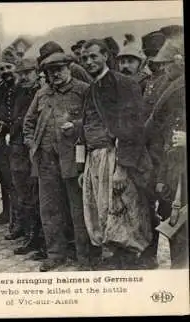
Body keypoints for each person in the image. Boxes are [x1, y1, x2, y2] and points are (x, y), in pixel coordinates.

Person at [79, 39, 154, 270]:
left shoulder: (123, 84)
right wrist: (82, 167)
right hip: (94, 159)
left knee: (124, 210)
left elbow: (133, 128)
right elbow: (84, 128)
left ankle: (133, 260)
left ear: (105, 56)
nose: (89, 61)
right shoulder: (90, 89)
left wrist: (121, 168)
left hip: (116, 157)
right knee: (102, 211)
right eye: (84, 58)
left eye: (93, 56)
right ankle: (115, 256)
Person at [23, 52, 91, 272]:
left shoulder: (83, 90)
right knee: (50, 209)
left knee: (78, 209)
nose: (56, 75)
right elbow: (29, 121)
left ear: (69, 69)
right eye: (51, 72)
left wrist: (77, 126)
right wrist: (30, 142)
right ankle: (55, 254)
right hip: (46, 161)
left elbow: (96, 119)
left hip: (74, 160)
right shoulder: (42, 94)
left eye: (59, 70)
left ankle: (85, 256)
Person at [144, 36, 187, 269]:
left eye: (167, 63)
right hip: (171, 165)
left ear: (179, 62)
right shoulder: (169, 86)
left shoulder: (177, 87)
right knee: (173, 219)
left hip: (182, 169)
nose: (163, 68)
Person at [10, 58, 45, 259]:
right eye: (20, 73)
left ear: (36, 72)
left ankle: (40, 239)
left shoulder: (41, 93)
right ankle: (29, 235)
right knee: (22, 193)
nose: (23, 77)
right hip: (17, 147)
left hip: (33, 149)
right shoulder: (18, 92)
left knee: (37, 194)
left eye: (28, 72)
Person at [0, 49, 20, 233]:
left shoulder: (21, 89)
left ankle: (18, 218)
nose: (6, 71)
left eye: (9, 67)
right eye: (2, 68)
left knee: (17, 181)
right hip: (1, 141)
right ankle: (7, 212)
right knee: (3, 178)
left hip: (17, 140)